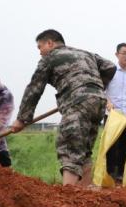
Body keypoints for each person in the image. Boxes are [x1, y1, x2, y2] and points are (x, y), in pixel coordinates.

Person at [11, 29, 116, 186]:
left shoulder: (50, 57)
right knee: (84, 149)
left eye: (40, 47)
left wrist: (22, 119)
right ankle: (86, 195)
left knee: (70, 148)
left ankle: (68, 195)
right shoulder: (86, 53)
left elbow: (34, 89)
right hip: (99, 101)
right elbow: (110, 66)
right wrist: (95, 87)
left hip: (78, 102)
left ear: (50, 43)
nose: (40, 52)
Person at [105, 43, 126, 182]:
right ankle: (110, 172)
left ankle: (122, 173)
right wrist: (107, 102)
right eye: (124, 53)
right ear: (117, 54)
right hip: (113, 115)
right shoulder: (110, 72)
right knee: (112, 145)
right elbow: (101, 89)